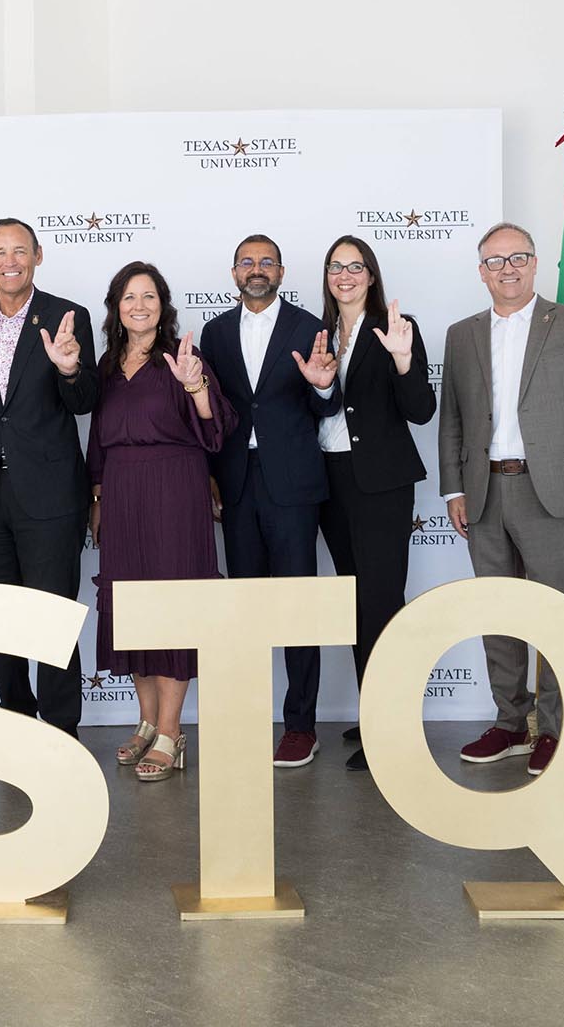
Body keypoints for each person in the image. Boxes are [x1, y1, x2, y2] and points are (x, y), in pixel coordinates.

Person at [439, 222, 564, 777]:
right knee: (498, 614)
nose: (507, 268)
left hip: (553, 488)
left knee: (555, 615)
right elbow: (453, 415)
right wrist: (454, 486)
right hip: (483, 491)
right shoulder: (462, 334)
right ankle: (510, 723)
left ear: (533, 262)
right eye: (495, 260)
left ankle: (554, 729)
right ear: (481, 271)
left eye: (518, 257)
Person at [0, 218, 99, 736]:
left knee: (51, 617)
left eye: (20, 251)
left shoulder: (66, 317)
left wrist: (70, 369)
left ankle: (61, 730)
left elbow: (84, 404)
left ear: (38, 256)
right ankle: (16, 720)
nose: (10, 261)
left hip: (51, 494)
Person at [87, 262, 235, 780]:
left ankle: (172, 731)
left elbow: (217, 433)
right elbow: (97, 443)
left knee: (175, 609)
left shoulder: (183, 359)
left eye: (149, 296)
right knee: (132, 611)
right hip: (122, 494)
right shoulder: (106, 365)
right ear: (117, 307)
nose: (139, 306)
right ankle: (147, 722)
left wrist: (195, 389)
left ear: (163, 305)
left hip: (176, 491)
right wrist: (98, 496)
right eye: (129, 297)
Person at [199, 234, 340, 768]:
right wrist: (210, 477)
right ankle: (245, 717)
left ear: (282, 271)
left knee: (297, 607)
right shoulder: (213, 332)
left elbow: (327, 404)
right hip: (236, 484)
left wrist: (324, 387)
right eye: (247, 262)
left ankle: (301, 724)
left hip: (294, 487)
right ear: (234, 272)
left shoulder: (310, 328)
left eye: (266, 262)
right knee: (246, 607)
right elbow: (207, 409)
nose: (256, 270)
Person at [313, 236, 435, 773]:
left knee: (383, 601)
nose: (345, 276)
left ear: (370, 274)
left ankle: (394, 726)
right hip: (330, 478)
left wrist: (405, 361)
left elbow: (422, 410)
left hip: (381, 483)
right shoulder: (318, 333)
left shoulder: (396, 331)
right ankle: (374, 711)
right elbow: (320, 406)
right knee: (355, 604)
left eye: (355, 267)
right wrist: (319, 389)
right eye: (337, 267)